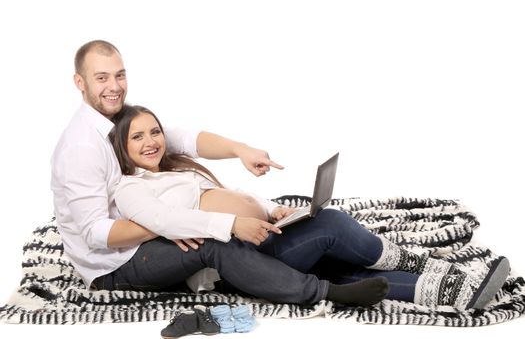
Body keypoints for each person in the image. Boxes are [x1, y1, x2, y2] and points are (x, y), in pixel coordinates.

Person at [50, 39, 389, 307]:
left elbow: (182, 140)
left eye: (119, 74)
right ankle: (322, 292)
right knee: (213, 243)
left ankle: (366, 266)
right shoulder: (81, 148)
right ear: (79, 82)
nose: (114, 86)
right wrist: (171, 222)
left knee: (298, 222)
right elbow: (96, 233)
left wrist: (239, 150)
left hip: (154, 226)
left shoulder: (122, 118)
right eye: (102, 77)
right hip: (116, 265)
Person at [110, 104, 511, 311]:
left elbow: (226, 193)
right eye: (138, 137)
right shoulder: (129, 189)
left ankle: (456, 289)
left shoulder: (177, 169)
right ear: (122, 149)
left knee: (341, 267)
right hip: (240, 260)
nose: (151, 142)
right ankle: (415, 262)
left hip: (264, 232)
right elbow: (163, 219)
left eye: (155, 131)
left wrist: (272, 209)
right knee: (331, 225)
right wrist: (234, 223)